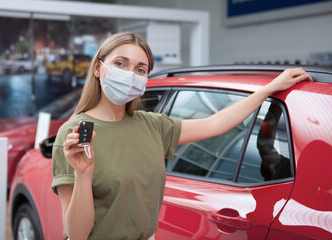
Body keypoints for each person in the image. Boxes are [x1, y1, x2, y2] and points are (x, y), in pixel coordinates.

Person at [51, 32, 312, 240]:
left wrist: (270, 88)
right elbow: (77, 235)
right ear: (98, 69)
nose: (130, 74)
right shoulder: (73, 135)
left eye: (141, 69)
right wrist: (83, 175)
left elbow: (215, 123)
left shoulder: (153, 126)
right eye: (120, 64)